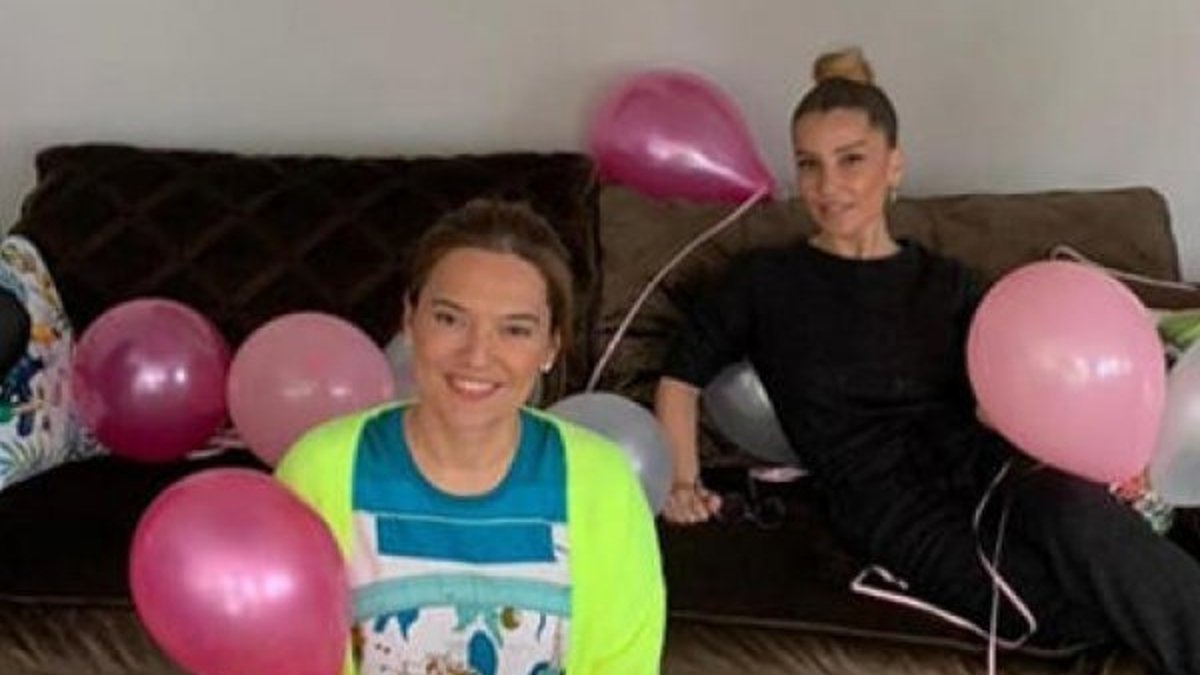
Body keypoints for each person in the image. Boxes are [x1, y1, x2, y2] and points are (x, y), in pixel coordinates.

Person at [655, 48, 1200, 674]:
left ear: (894, 164)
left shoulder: (948, 281)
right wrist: (682, 483)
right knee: (1064, 618)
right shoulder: (764, 280)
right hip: (883, 498)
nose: (828, 187)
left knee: (1085, 521)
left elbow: (1006, 395)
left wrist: (1103, 458)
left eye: (851, 160)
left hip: (983, 464)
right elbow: (680, 377)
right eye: (809, 164)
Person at [277, 199, 665, 675]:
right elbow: (283, 652)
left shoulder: (602, 482)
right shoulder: (319, 469)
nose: (477, 356)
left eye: (515, 330)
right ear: (410, 321)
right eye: (450, 319)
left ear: (551, 347)